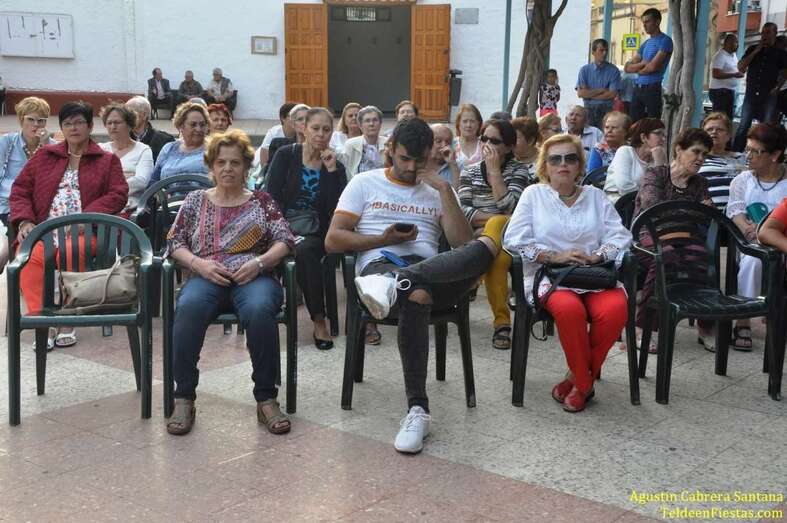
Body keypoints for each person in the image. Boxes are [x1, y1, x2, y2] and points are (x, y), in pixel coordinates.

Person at [325, 118, 500, 453]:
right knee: (416, 295)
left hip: (425, 273)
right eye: (404, 158)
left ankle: (400, 281)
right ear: (391, 149)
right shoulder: (364, 183)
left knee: (481, 250)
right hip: (381, 265)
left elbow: (461, 243)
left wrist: (445, 190)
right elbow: (333, 240)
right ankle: (418, 410)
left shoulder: (437, 189)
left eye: (418, 161)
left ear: (430, 155)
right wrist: (383, 238)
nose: (409, 167)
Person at [165, 129, 295, 436]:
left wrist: (260, 262)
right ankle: (184, 397)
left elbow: (285, 240)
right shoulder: (195, 201)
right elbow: (174, 242)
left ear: (246, 167)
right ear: (211, 166)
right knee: (189, 307)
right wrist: (198, 264)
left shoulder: (262, 201)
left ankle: (266, 399)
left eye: (235, 162)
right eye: (221, 162)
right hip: (206, 275)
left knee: (260, 310)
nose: (227, 168)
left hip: (254, 276)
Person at [503, 134, 632, 412]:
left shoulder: (595, 196)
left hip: (593, 275)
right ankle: (585, 385)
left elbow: (620, 236)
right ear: (545, 166)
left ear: (579, 165)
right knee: (570, 310)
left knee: (616, 309)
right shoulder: (533, 195)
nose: (563, 164)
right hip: (550, 277)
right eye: (555, 159)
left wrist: (598, 255)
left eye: (570, 158)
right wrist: (554, 256)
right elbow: (513, 239)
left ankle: (576, 378)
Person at [10, 101, 128, 350]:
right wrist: (25, 220)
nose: (73, 128)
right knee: (28, 256)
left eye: (79, 122)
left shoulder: (106, 160)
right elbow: (20, 190)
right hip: (45, 230)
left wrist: (87, 217)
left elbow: (118, 194)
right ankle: (42, 321)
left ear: (90, 126)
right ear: (61, 128)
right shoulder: (45, 156)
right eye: (67, 123)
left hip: (85, 230)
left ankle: (67, 318)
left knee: (73, 251)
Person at [267, 108, 347, 350]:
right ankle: (265, 311)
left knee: (304, 250)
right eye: (315, 128)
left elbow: (336, 208)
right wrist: (282, 230)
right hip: (281, 224)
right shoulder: (286, 155)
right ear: (304, 129)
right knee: (285, 247)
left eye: (326, 129)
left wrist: (331, 172)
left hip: (316, 231)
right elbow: (271, 197)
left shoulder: (335, 166)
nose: (321, 134)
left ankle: (319, 320)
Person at [633, 128, 715, 351]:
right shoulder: (656, 174)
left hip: (685, 238)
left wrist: (687, 212)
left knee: (701, 256)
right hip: (649, 235)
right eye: (695, 152)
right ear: (679, 150)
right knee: (665, 256)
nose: (700, 158)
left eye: (704, 154)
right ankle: (644, 327)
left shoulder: (700, 183)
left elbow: (707, 216)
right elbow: (652, 207)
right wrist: (694, 209)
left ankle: (706, 326)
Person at [459, 119, 534, 350]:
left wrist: (494, 172)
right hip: (482, 237)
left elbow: (512, 207)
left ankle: (476, 274)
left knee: (499, 227)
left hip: (510, 237)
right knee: (497, 257)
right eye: (484, 139)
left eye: (495, 141)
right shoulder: (469, 171)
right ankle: (502, 324)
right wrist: (498, 219)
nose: (487, 145)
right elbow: (464, 212)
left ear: (509, 147)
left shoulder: (519, 170)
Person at [725, 123, 787, 351]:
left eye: (755, 151)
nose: (748, 156)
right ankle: (743, 320)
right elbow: (736, 213)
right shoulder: (742, 180)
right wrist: (751, 231)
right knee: (753, 260)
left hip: (781, 242)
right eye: (747, 149)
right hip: (750, 243)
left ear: (775, 155)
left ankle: (776, 314)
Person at [0, 97, 56, 226]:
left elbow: (53, 178)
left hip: (39, 206)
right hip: (7, 204)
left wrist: (45, 147)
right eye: (30, 119)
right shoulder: (7, 142)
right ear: (21, 120)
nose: (36, 124)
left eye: (41, 120)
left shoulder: (52, 147)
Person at [733, 23, 787, 151]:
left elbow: (785, 72)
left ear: (775, 34)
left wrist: (778, 87)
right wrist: (756, 51)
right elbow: (740, 67)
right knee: (743, 126)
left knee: (765, 128)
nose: (764, 35)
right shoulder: (752, 49)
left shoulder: (780, 53)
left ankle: (761, 153)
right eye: (763, 32)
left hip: (768, 96)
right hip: (751, 94)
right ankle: (736, 153)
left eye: (768, 32)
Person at [98, 102, 154, 213]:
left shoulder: (143, 150)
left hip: (130, 206)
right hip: (100, 203)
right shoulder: (100, 149)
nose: (113, 127)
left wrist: (108, 182)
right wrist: (125, 176)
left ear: (129, 125)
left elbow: (141, 181)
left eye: (117, 122)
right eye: (109, 123)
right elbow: (92, 180)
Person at [624, 8, 673, 122]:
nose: (644, 25)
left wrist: (639, 69)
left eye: (647, 21)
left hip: (652, 87)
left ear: (657, 22)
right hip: (638, 87)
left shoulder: (665, 40)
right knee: (634, 123)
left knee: (652, 123)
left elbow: (652, 67)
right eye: (643, 22)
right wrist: (643, 64)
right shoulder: (646, 43)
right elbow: (627, 68)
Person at [147, 102, 210, 185]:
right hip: (168, 193)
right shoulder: (169, 148)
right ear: (181, 126)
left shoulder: (214, 149)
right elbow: (154, 180)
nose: (198, 129)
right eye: (193, 125)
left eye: (202, 125)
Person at [604, 117, 667, 196]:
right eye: (658, 133)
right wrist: (649, 194)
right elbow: (624, 186)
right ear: (643, 137)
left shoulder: (657, 158)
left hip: (644, 201)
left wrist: (659, 164)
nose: (663, 139)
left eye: (664, 135)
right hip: (617, 199)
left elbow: (664, 189)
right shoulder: (625, 151)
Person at [697, 112, 747, 208]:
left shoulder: (743, 158)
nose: (714, 132)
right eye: (709, 129)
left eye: (719, 129)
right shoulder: (697, 158)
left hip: (743, 211)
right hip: (709, 212)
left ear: (729, 135)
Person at [576, 39, 621, 129]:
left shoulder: (613, 70)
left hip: (606, 109)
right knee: (588, 133)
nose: (604, 53)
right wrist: (602, 90)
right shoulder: (584, 70)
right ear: (593, 52)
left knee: (605, 134)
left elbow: (612, 94)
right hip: (589, 109)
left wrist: (589, 95)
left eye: (606, 50)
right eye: (601, 50)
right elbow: (581, 93)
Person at [339, 105, 387, 178]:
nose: (371, 124)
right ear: (360, 125)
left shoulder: (388, 144)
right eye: (367, 121)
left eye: (375, 120)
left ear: (380, 124)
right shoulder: (351, 144)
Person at [125, 96, 175, 162]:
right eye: (125, 114)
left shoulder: (165, 141)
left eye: (130, 114)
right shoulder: (122, 139)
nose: (126, 118)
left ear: (144, 115)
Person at [709, 34, 745, 119]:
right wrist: (734, 74)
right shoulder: (720, 56)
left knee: (728, 119)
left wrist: (740, 72)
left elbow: (734, 69)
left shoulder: (734, 56)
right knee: (719, 118)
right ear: (727, 43)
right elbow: (716, 74)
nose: (737, 45)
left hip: (729, 91)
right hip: (720, 92)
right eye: (735, 42)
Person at [256, 102, 298, 168]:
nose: (297, 120)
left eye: (299, 117)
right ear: (283, 118)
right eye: (293, 116)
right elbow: (264, 161)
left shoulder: (302, 133)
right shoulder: (273, 133)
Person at [454, 103, 484, 170]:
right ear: (458, 123)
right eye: (465, 121)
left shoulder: (484, 146)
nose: (468, 125)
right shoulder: (452, 145)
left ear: (478, 124)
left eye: (472, 121)